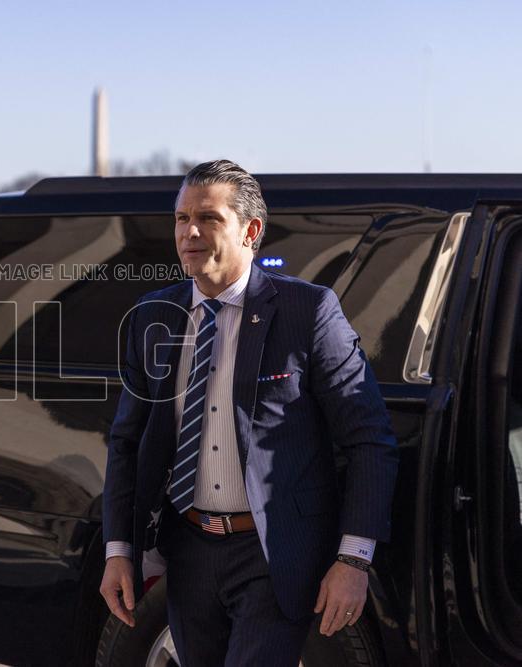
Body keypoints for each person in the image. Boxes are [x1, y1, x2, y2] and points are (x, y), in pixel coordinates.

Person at [99, 160, 398, 666]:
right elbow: (127, 442)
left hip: (273, 554)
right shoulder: (152, 316)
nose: (190, 232)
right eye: (181, 218)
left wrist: (353, 559)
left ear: (251, 231)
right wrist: (118, 551)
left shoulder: (309, 312)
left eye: (209, 218)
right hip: (187, 548)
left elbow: (369, 438)